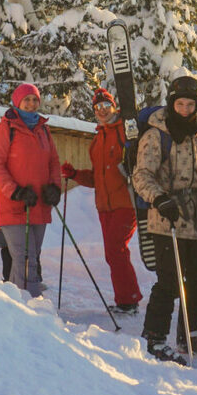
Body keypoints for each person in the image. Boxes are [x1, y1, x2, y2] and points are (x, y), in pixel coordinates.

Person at [132, 74, 197, 364]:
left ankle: (190, 331)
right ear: (172, 103)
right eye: (181, 104)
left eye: (191, 104)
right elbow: (142, 176)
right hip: (167, 216)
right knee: (170, 281)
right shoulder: (156, 133)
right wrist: (159, 198)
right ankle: (155, 336)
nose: (186, 109)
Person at [61, 87, 143, 313]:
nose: (102, 110)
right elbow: (97, 177)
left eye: (106, 105)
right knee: (112, 253)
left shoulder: (125, 132)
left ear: (114, 106)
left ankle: (128, 301)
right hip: (104, 206)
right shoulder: (97, 141)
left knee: (116, 250)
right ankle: (126, 299)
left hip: (125, 203)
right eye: (97, 107)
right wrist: (76, 174)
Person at [0, 83, 64, 298]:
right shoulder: (6, 128)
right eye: (26, 99)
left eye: (34, 99)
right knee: (23, 257)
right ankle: (26, 304)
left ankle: (23, 302)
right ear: (17, 102)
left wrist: (54, 188)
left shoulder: (43, 129)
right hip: (14, 204)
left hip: (39, 204)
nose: (31, 104)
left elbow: (53, 162)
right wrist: (15, 191)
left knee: (33, 256)